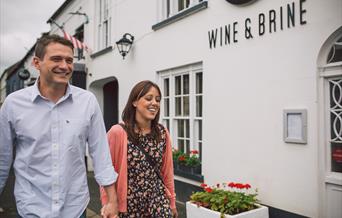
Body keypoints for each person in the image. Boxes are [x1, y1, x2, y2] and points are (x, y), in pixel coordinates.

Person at [0, 34, 118, 218]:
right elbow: (2, 159)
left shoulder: (87, 101)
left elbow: (101, 155)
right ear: (37, 63)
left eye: (69, 60)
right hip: (31, 208)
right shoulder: (13, 104)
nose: (64, 66)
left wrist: (112, 201)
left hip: (75, 208)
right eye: (56, 59)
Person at [100, 80, 178, 218]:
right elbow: (105, 170)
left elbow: (167, 172)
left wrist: (172, 202)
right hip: (129, 206)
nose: (154, 103)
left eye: (158, 100)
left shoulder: (162, 132)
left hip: (158, 203)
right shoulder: (118, 132)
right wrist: (108, 203)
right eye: (148, 98)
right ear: (134, 102)